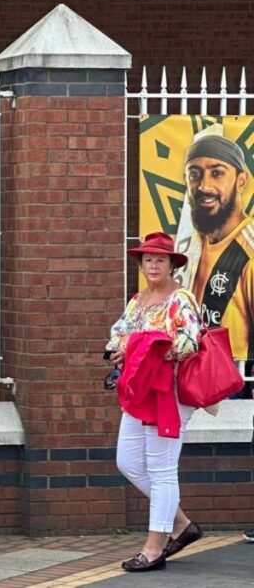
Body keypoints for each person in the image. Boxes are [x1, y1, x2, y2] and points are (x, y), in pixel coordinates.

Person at [107, 232, 203, 572]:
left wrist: (145, 345)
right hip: (139, 391)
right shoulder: (137, 300)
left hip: (169, 392)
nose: (153, 265)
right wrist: (121, 348)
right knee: (128, 462)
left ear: (171, 265)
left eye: (160, 259)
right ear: (141, 264)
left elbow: (189, 342)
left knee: (162, 470)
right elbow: (117, 333)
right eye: (148, 259)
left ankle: (154, 546)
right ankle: (180, 523)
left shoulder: (182, 299)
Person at [178, 135, 253, 370]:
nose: (204, 186)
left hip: (233, 375)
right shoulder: (193, 243)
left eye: (217, 173)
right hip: (192, 370)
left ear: (241, 181)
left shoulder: (248, 249)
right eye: (195, 174)